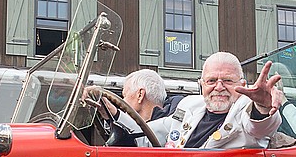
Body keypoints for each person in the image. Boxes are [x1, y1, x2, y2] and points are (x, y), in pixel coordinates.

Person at [151, 52, 282, 149]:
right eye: (211, 81)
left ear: (242, 85)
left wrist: (262, 106)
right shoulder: (189, 105)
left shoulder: (246, 109)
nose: (219, 87)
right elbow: (149, 133)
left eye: (228, 80)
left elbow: (260, 128)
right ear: (202, 85)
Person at [98, 69, 168, 148]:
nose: (123, 101)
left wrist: (114, 112)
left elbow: (141, 138)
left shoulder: (167, 127)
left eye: (124, 96)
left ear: (140, 95)